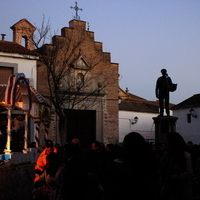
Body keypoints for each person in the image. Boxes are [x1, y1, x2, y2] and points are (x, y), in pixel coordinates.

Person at [159, 132, 193, 200]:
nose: (166, 143)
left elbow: (189, 173)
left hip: (181, 190)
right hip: (170, 189)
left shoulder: (185, 155)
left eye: (168, 140)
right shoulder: (166, 155)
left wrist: (172, 177)